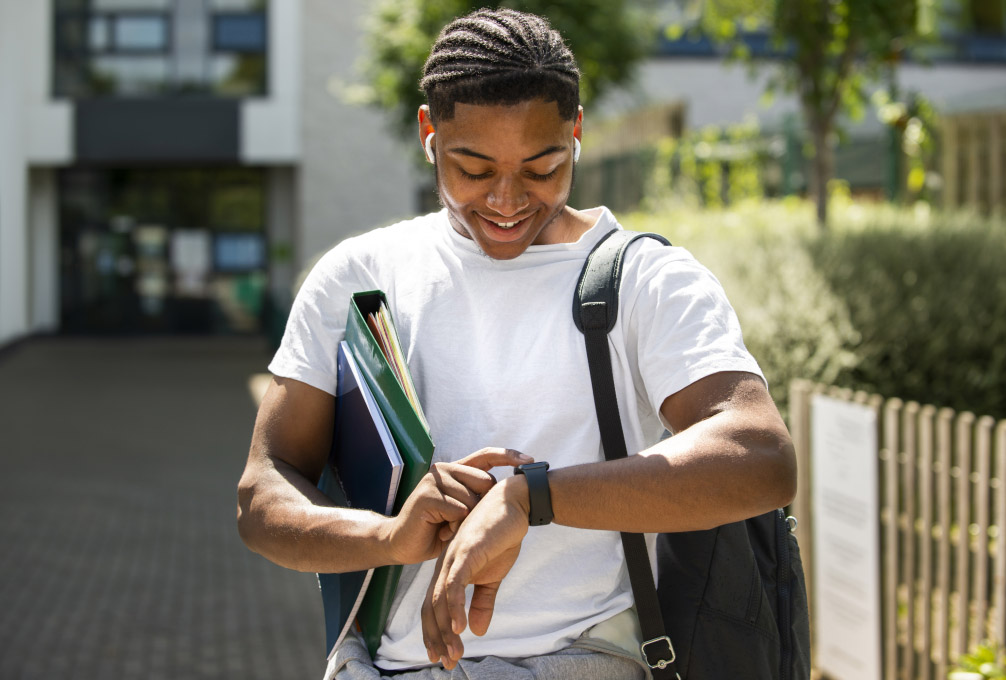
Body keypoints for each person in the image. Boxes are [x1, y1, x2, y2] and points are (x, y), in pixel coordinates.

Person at [236, 8, 796, 680]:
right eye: (472, 168)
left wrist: (530, 499)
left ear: (576, 132)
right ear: (428, 134)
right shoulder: (359, 279)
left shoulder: (646, 280)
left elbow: (760, 456)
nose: (506, 200)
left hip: (580, 661)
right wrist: (389, 537)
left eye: (542, 166)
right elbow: (262, 494)